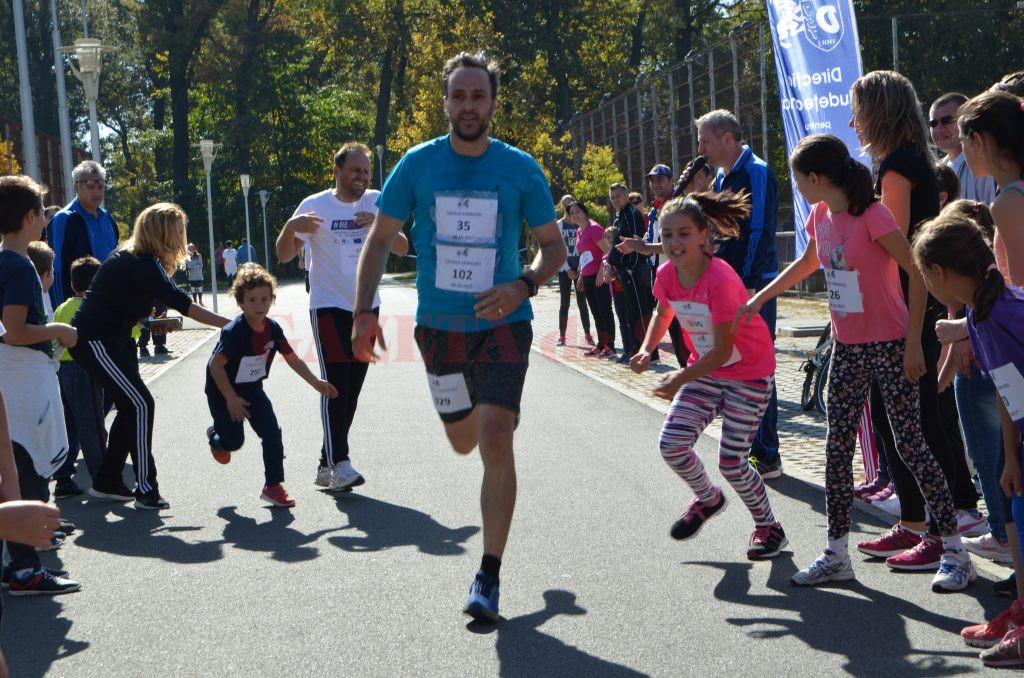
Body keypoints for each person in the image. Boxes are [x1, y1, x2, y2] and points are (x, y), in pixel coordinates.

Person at [351, 52, 566, 622]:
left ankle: (488, 575)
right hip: (440, 331)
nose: (469, 106)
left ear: (493, 102)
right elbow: (377, 242)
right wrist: (362, 314)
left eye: (478, 96)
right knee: (463, 441)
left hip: (504, 326)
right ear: (446, 102)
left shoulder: (520, 168)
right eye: (459, 96)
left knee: (495, 439)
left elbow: (555, 249)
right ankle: (480, 415)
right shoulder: (416, 166)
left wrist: (524, 285)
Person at [738, 133, 973, 591]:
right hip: (847, 349)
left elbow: (918, 272)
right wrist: (760, 297)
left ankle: (955, 552)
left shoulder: (873, 214)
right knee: (836, 449)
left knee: (911, 446)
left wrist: (912, 344)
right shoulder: (821, 215)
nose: (798, 188)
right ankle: (836, 553)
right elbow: (808, 262)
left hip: (890, 346)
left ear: (816, 177)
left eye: (799, 179)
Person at [850, 71, 981, 571]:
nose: (854, 121)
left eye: (859, 110)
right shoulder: (905, 161)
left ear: (878, 112)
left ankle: (941, 530)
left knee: (916, 423)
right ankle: (914, 522)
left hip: (907, 309)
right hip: (909, 305)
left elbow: (896, 249)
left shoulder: (898, 168)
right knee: (896, 419)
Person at [629, 191, 787, 559]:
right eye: (667, 235)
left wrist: (677, 380)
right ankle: (708, 498)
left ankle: (769, 527)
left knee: (732, 461)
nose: (674, 243)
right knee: (671, 444)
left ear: (703, 235)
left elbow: (720, 351)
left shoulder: (720, 280)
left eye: (683, 234)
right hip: (707, 370)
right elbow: (662, 312)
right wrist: (647, 347)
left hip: (748, 372)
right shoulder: (667, 273)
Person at [912, 213, 1024, 665]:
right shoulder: (978, 318)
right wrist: (1010, 457)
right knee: (1016, 507)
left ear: (939, 274)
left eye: (923, 276)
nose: (924, 283)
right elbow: (1002, 383)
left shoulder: (1008, 311)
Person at [69, 202, 230, 510]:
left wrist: (150, 321)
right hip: (95, 341)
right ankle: (146, 489)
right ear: (164, 233)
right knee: (141, 404)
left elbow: (124, 300)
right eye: (179, 230)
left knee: (132, 407)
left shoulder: (140, 260)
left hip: (112, 340)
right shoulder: (141, 261)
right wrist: (230, 323)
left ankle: (107, 482)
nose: (183, 236)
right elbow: (181, 302)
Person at [275, 142, 409, 491]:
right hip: (328, 307)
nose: (362, 177)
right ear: (337, 170)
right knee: (336, 384)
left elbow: (403, 247)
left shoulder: (376, 200)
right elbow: (285, 255)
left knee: (352, 390)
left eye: (366, 171)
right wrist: (290, 227)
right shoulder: (315, 206)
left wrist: (381, 225)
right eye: (356, 170)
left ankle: (326, 464)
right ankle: (341, 461)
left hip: (367, 306)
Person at [0, 175, 81, 595]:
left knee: (12, 465)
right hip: (21, 379)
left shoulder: (5, 261)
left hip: (10, 379)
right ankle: (26, 567)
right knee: (28, 466)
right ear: (30, 217)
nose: (46, 221)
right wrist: (58, 330)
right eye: (42, 214)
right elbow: (14, 330)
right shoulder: (17, 264)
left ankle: (15, 559)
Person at [205, 263, 338, 508]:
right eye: (252, 300)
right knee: (234, 443)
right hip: (222, 390)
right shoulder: (235, 331)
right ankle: (216, 436)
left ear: (271, 300)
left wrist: (315, 382)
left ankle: (273, 486)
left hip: (252, 389)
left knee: (272, 432)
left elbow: (292, 359)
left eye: (264, 299)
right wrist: (231, 399)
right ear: (241, 302)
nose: (259, 305)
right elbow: (215, 366)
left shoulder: (273, 329)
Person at [51, 256, 106, 499]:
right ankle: (103, 479)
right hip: (86, 368)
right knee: (92, 425)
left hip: (63, 369)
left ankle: (63, 477)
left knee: (68, 425)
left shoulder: (62, 307)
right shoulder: (95, 306)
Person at [47, 160, 119, 307]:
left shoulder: (108, 218)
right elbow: (56, 270)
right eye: (90, 186)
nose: (97, 192)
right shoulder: (64, 219)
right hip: (78, 310)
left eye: (101, 186)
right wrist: (62, 315)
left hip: (112, 307)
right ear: (76, 187)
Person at [608, 182, 654, 364]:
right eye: (612, 197)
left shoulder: (632, 215)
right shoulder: (622, 215)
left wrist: (629, 267)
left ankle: (644, 352)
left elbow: (636, 243)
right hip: (625, 271)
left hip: (634, 271)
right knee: (630, 312)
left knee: (639, 312)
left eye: (618, 196)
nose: (615, 200)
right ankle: (633, 350)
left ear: (626, 195)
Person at [929, 92, 997, 205]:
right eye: (933, 123)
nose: (939, 128)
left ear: (966, 120)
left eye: (947, 120)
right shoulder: (936, 170)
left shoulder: (984, 166)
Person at [571, 201, 615, 357]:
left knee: (605, 311)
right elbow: (584, 255)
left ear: (584, 212)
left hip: (599, 277)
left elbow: (607, 250)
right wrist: (581, 275)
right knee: (596, 312)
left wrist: (602, 270)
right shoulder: (579, 231)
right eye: (572, 213)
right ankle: (601, 344)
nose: (575, 215)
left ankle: (610, 346)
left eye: (577, 211)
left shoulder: (594, 229)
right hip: (587, 276)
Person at [555, 194, 593, 347]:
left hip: (580, 269)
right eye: (565, 204)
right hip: (565, 269)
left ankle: (588, 334)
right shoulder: (559, 225)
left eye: (571, 203)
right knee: (564, 303)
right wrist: (567, 268)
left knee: (582, 302)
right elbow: (557, 249)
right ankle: (562, 335)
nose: (568, 206)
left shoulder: (581, 224)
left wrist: (579, 268)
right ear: (562, 207)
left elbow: (586, 248)